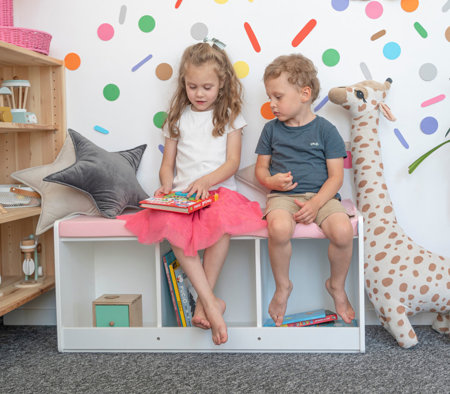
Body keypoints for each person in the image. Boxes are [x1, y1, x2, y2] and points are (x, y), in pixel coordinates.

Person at [120, 40, 266, 345]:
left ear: (222, 83)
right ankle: (212, 301)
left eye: (207, 87)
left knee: (221, 227)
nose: (199, 94)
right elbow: (167, 165)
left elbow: (232, 162)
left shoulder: (230, 117)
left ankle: (203, 304)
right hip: (184, 196)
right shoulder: (176, 118)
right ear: (183, 84)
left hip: (220, 192)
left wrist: (207, 181)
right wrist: (165, 185)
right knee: (172, 230)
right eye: (192, 86)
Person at [254, 54, 355, 327]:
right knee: (278, 229)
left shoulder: (326, 130)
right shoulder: (270, 130)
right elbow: (260, 171)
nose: (271, 104)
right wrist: (271, 182)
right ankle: (283, 286)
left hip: (322, 197)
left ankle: (336, 286)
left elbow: (335, 178)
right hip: (283, 198)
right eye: (269, 97)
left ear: (304, 94)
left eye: (277, 96)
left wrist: (317, 204)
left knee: (344, 232)